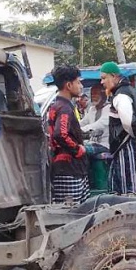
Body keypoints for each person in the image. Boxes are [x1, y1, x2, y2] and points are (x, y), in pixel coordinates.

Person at [100, 61, 136, 194]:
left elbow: (128, 122)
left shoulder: (121, 94)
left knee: (128, 185)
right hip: (127, 144)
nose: (102, 82)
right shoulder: (126, 90)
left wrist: (134, 136)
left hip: (126, 145)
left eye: (104, 78)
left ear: (114, 76)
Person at [46, 65, 89, 205]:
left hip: (68, 169)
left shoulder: (57, 105)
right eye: (78, 82)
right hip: (68, 171)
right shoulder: (64, 108)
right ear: (69, 85)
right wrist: (78, 149)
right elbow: (60, 134)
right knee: (72, 214)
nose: (81, 86)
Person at [80, 84, 110, 152]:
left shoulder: (108, 108)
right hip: (92, 142)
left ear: (103, 95)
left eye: (96, 93)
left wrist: (82, 130)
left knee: (82, 151)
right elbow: (83, 122)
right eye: (92, 94)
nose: (93, 96)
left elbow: (99, 124)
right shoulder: (92, 109)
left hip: (105, 145)